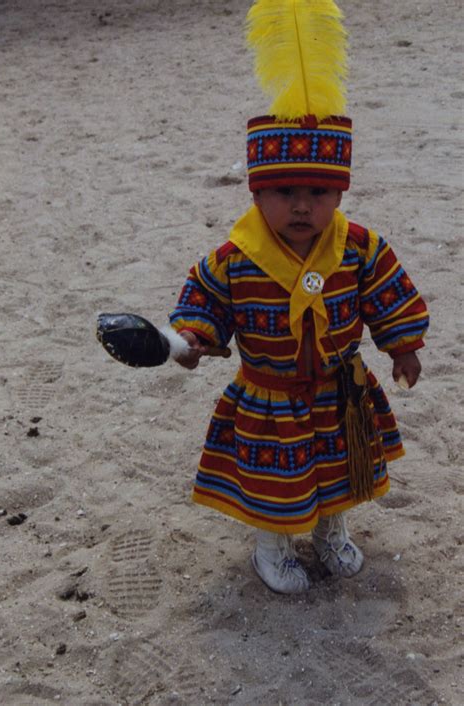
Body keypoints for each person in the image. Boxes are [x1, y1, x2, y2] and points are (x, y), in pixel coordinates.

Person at [166, 1, 429, 594]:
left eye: (319, 191)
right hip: (270, 394)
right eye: (285, 192)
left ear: (339, 194)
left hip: (341, 388)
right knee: (273, 482)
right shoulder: (234, 258)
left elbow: (389, 293)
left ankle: (330, 533)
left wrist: (403, 345)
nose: (303, 205)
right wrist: (193, 339)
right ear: (259, 193)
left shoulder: (358, 247)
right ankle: (273, 545)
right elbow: (205, 302)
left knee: (340, 471)